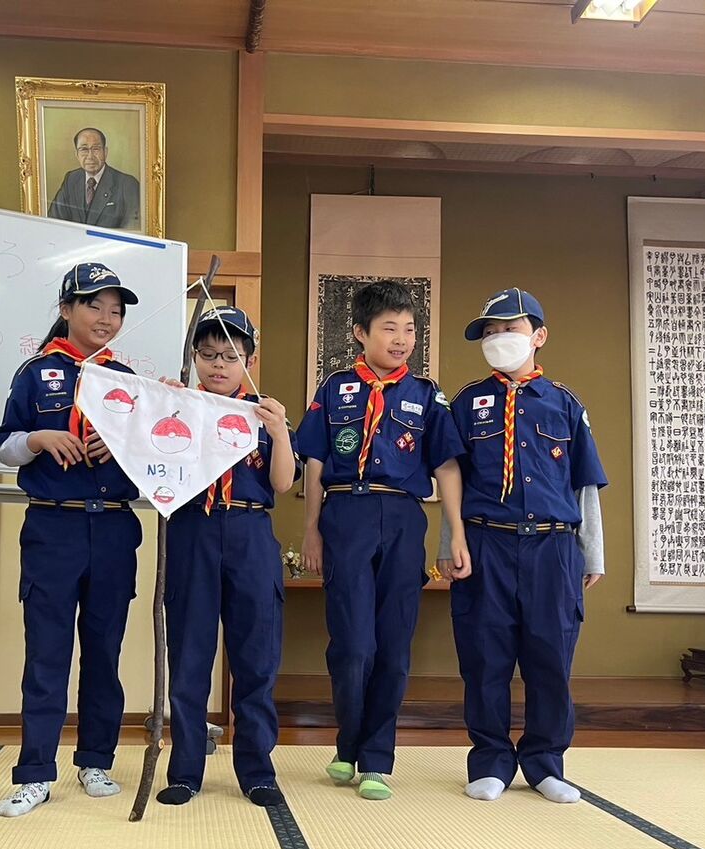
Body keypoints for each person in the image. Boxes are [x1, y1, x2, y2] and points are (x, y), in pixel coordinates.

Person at [297, 280, 470, 801]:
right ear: (360, 332)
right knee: (352, 644)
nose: (401, 340)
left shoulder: (427, 394)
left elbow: (446, 466)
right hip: (344, 513)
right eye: (389, 328)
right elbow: (314, 462)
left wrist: (456, 534)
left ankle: (376, 759)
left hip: (402, 517)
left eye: (409, 330)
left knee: (393, 644)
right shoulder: (333, 389)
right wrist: (311, 529)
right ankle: (348, 744)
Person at [438, 288, 607, 804]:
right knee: (484, 656)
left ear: (538, 336)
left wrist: (592, 553)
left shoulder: (565, 403)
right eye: (489, 332)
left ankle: (545, 762)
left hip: (552, 549)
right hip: (485, 543)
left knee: (550, 657)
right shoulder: (466, 403)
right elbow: (452, 480)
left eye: (509, 329)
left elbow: (584, 484)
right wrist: (449, 544)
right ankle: (490, 760)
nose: (498, 339)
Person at [0, 262, 142, 817]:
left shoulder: (127, 379)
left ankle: (96, 760)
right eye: (93, 306)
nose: (106, 318)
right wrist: (39, 437)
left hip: (114, 528)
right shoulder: (35, 372)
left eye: (115, 310)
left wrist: (123, 444)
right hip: (53, 527)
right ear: (65, 309)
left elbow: (154, 454)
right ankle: (34, 773)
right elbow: (5, 446)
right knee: (47, 653)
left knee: (104, 651)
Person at [156, 307, 299, 808]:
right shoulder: (179, 404)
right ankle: (185, 770)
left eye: (231, 356)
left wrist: (280, 434)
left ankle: (257, 770)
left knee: (256, 659)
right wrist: (159, 408)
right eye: (209, 354)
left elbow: (283, 483)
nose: (219, 365)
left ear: (250, 361)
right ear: (195, 357)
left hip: (250, 530)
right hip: (192, 529)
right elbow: (154, 463)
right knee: (189, 657)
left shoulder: (265, 412)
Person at [47, 127, 141, 230]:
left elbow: (133, 230)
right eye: (84, 149)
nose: (90, 156)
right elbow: (54, 222)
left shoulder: (128, 185)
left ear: (105, 152)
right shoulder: (71, 179)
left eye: (96, 149)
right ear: (77, 154)